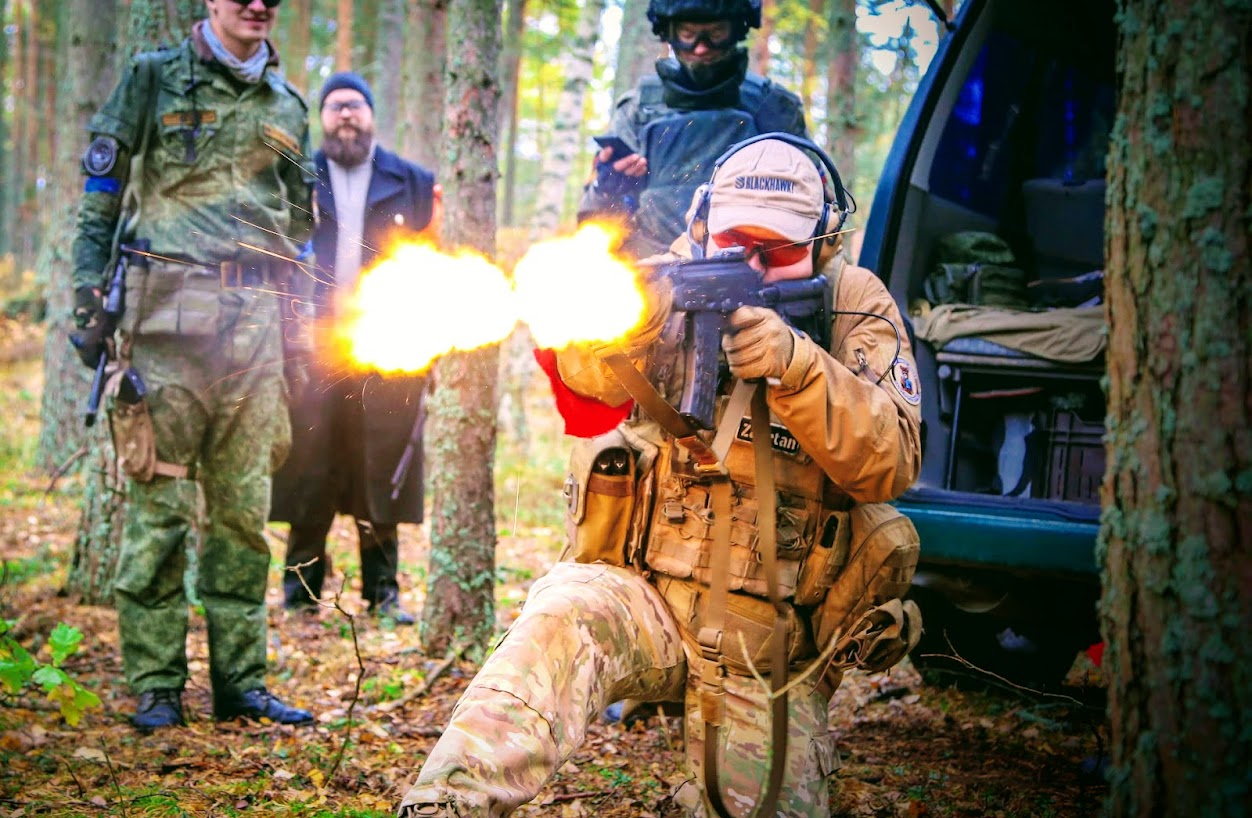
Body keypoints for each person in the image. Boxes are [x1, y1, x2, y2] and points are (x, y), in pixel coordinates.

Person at [398, 136, 924, 817]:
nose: (755, 266)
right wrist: (632, 327)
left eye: (779, 252)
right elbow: (586, 383)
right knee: (561, 612)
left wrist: (799, 365)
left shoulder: (854, 303)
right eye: (738, 243)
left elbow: (892, 460)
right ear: (704, 225)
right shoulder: (670, 273)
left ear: (824, 243)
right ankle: (445, 804)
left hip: (768, 648)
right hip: (643, 601)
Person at [69, 0, 317, 731]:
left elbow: (300, 226)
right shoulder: (152, 80)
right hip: (166, 327)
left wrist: (297, 334)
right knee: (162, 511)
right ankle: (157, 687)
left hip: (254, 331)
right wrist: (89, 307)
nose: (258, 5)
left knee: (243, 515)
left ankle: (242, 683)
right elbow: (98, 206)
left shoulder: (288, 105)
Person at [269, 72, 440, 625]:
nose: (347, 115)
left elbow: (434, 262)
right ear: (322, 118)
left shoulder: (412, 181)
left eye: (357, 106)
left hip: (388, 351)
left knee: (380, 470)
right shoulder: (297, 177)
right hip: (312, 348)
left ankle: (383, 595)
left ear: (372, 116)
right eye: (337, 106)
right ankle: (300, 592)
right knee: (309, 468)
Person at [578, 0, 808, 259]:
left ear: (736, 31)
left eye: (715, 33)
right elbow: (592, 223)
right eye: (688, 34)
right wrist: (608, 188)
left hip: (750, 269)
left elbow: (818, 208)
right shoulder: (638, 109)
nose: (701, 47)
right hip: (648, 275)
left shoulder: (771, 107)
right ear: (669, 33)